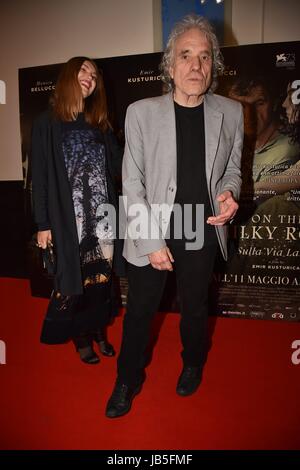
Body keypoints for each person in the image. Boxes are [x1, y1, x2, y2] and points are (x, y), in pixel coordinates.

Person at [105, 14, 243, 418]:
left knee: (196, 308)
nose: (195, 66)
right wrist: (151, 242)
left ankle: (193, 363)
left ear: (214, 65)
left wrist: (230, 192)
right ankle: (128, 379)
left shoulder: (231, 112)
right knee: (141, 313)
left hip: (202, 228)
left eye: (204, 57)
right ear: (170, 65)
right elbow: (132, 185)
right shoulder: (141, 113)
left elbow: (233, 167)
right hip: (154, 228)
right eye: (186, 55)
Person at [31, 57, 124, 364]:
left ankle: (99, 331)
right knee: (75, 283)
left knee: (101, 282)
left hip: (103, 222)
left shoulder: (99, 123)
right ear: (69, 77)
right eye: (83, 70)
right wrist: (43, 223)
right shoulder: (47, 123)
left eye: (94, 75)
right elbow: (40, 178)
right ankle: (80, 337)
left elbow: (116, 168)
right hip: (69, 222)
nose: (90, 77)